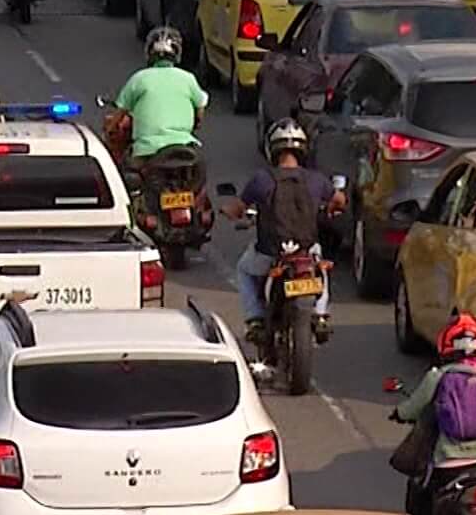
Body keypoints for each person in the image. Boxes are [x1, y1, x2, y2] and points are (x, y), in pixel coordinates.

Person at [219, 119, 345, 346]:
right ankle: (320, 313)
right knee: (320, 266)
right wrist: (332, 208)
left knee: (244, 270)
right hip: (306, 249)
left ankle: (255, 319)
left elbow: (237, 208)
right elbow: (339, 199)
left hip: (270, 253)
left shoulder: (261, 179)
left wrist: (228, 210)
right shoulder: (316, 179)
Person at [392, 312, 476, 515]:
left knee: (421, 495)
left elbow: (412, 409)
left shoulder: (438, 376)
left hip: (448, 462)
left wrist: (398, 413)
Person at [111, 27, 210, 174]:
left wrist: (110, 130)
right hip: (184, 147)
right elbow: (200, 110)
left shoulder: (139, 78)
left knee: (127, 176)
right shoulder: (188, 78)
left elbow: (118, 117)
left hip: (147, 150)